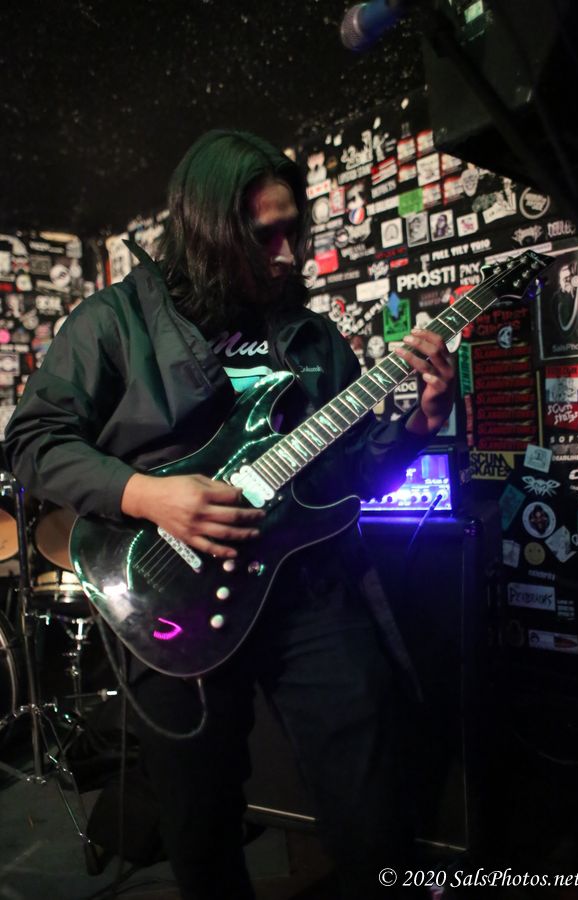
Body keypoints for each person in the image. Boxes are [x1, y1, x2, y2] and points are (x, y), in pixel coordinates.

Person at [4, 129, 455, 900]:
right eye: (264, 236)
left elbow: (349, 474)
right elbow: (32, 442)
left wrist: (420, 425)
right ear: (208, 229)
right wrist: (147, 494)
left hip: (305, 589)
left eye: (293, 231)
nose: (287, 255)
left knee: (375, 796)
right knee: (200, 816)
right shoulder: (116, 321)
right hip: (168, 591)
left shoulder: (310, 338)